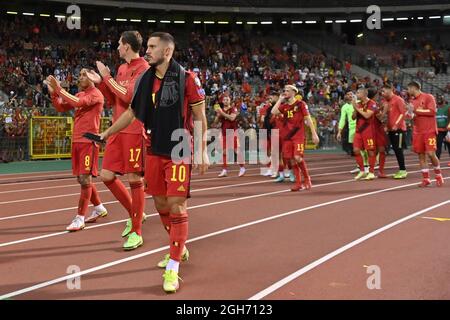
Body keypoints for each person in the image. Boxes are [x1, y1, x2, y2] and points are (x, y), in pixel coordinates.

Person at [99, 32, 208, 293]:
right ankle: (178, 247)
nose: (146, 50)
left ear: (167, 52)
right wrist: (107, 133)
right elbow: (132, 112)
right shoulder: (146, 78)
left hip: (179, 148)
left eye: (151, 47)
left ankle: (172, 267)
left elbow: (199, 115)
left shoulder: (187, 78)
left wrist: (203, 150)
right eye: (146, 46)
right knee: (160, 202)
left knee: (176, 205)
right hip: (153, 148)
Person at [86, 31, 149, 250]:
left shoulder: (143, 69)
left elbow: (129, 96)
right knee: (106, 175)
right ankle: (136, 213)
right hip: (117, 129)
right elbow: (114, 98)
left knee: (133, 178)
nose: (117, 48)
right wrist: (101, 84)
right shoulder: (122, 68)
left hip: (133, 129)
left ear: (128, 47)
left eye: (120, 45)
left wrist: (107, 77)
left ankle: (137, 231)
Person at [46, 70, 107, 231]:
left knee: (85, 179)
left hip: (88, 141)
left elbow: (78, 103)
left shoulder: (96, 94)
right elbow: (60, 107)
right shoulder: (79, 94)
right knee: (81, 179)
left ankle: (80, 218)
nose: (80, 77)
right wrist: (54, 94)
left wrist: (59, 90)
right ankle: (99, 207)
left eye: (84, 75)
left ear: (92, 78)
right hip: (77, 141)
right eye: (79, 75)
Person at [271, 84, 319, 191]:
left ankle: (307, 179)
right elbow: (273, 111)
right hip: (288, 136)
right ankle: (298, 183)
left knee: (298, 158)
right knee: (291, 160)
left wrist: (314, 133)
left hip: (298, 135)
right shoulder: (284, 106)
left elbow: (308, 119)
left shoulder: (300, 104)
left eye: (287, 90)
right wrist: (280, 99)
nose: (285, 92)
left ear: (294, 92)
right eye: (284, 90)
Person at [406, 81, 443, 187]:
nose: (408, 91)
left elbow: (432, 112)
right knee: (421, 156)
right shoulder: (412, 101)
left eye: (409, 89)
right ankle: (426, 179)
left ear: (414, 88)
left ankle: (438, 174)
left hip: (429, 130)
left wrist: (415, 110)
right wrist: (409, 114)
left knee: (431, 154)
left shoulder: (428, 97)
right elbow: (412, 116)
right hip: (418, 132)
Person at [380, 82, 408, 179]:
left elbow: (403, 113)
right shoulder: (385, 101)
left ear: (390, 90)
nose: (382, 93)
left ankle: (403, 170)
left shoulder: (398, 100)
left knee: (398, 150)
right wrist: (387, 125)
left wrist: (396, 124)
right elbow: (388, 116)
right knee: (396, 150)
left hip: (399, 129)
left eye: (383, 91)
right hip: (391, 130)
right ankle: (401, 169)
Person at [214, 95, 246, 177]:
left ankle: (242, 167)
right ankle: (224, 170)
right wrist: (218, 115)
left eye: (227, 99)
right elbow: (215, 122)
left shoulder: (233, 108)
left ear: (230, 100)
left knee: (236, 150)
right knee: (224, 152)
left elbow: (232, 118)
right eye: (224, 99)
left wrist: (222, 113)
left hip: (232, 132)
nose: (225, 101)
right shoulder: (220, 110)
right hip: (224, 133)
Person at [352, 87, 378, 181]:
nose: (356, 94)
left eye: (358, 93)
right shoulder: (358, 104)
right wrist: (355, 108)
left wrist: (357, 108)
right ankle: (362, 170)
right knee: (356, 150)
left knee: (370, 151)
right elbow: (353, 117)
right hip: (358, 130)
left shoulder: (372, 103)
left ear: (364, 94)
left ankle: (371, 172)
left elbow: (367, 115)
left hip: (368, 130)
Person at [337, 91, 356, 156]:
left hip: (361, 127)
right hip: (352, 128)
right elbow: (342, 119)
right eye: (348, 94)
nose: (350, 95)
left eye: (351, 94)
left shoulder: (359, 103)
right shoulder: (344, 107)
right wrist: (339, 132)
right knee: (355, 151)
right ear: (345, 96)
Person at [434, 94, 450, 161]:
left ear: (444, 101)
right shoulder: (434, 108)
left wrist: (448, 128)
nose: (439, 101)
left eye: (441, 100)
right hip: (438, 130)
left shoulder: (448, 107)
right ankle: (437, 161)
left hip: (447, 130)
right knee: (438, 146)